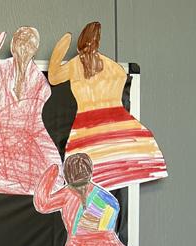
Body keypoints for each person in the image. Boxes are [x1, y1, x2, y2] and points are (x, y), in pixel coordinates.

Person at [48, 21, 167, 189]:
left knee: (84, 182)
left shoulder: (76, 65)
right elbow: (120, 81)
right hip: (119, 126)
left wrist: (63, 45)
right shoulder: (114, 68)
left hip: (86, 129)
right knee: (110, 174)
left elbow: (53, 76)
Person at [0, 28, 61, 194]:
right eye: (21, 42)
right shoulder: (7, 68)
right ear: (14, 45)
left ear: (34, 49)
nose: (24, 47)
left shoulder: (39, 79)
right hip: (3, 129)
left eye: (28, 44)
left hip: (24, 132)